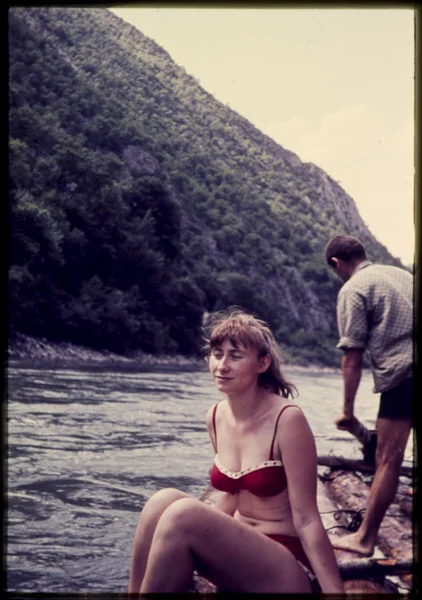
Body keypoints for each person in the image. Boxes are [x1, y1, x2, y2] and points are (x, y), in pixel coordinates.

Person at [127, 309, 344, 594]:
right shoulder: (215, 416)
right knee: (161, 501)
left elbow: (307, 518)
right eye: (217, 354)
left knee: (183, 514)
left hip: (286, 563)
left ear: (262, 363)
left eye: (235, 356)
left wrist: (334, 592)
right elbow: (231, 496)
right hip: (239, 555)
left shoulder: (287, 419)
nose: (222, 365)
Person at [324, 234, 414, 556]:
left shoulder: (353, 288)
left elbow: (352, 356)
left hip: (404, 375)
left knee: (387, 460)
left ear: (337, 263)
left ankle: (364, 539)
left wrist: (347, 411)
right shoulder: (403, 275)